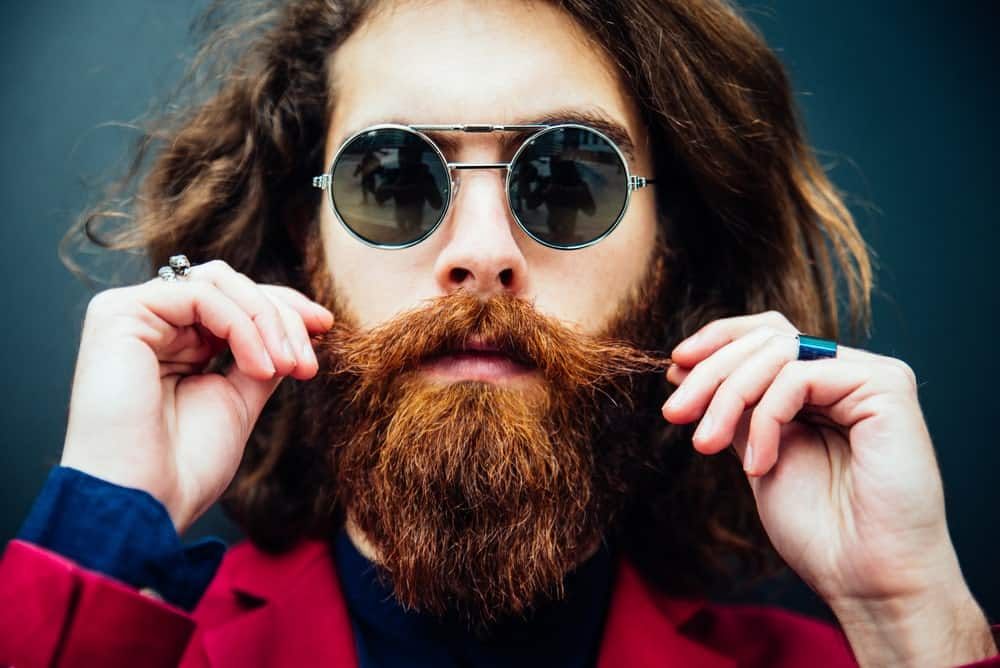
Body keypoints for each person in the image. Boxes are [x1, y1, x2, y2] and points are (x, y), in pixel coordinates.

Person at [1, 1, 997, 666]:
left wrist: (904, 615)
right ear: (304, 243)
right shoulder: (135, 642)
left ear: (669, 254)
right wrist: (104, 519)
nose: (481, 253)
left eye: (569, 178)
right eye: (391, 178)